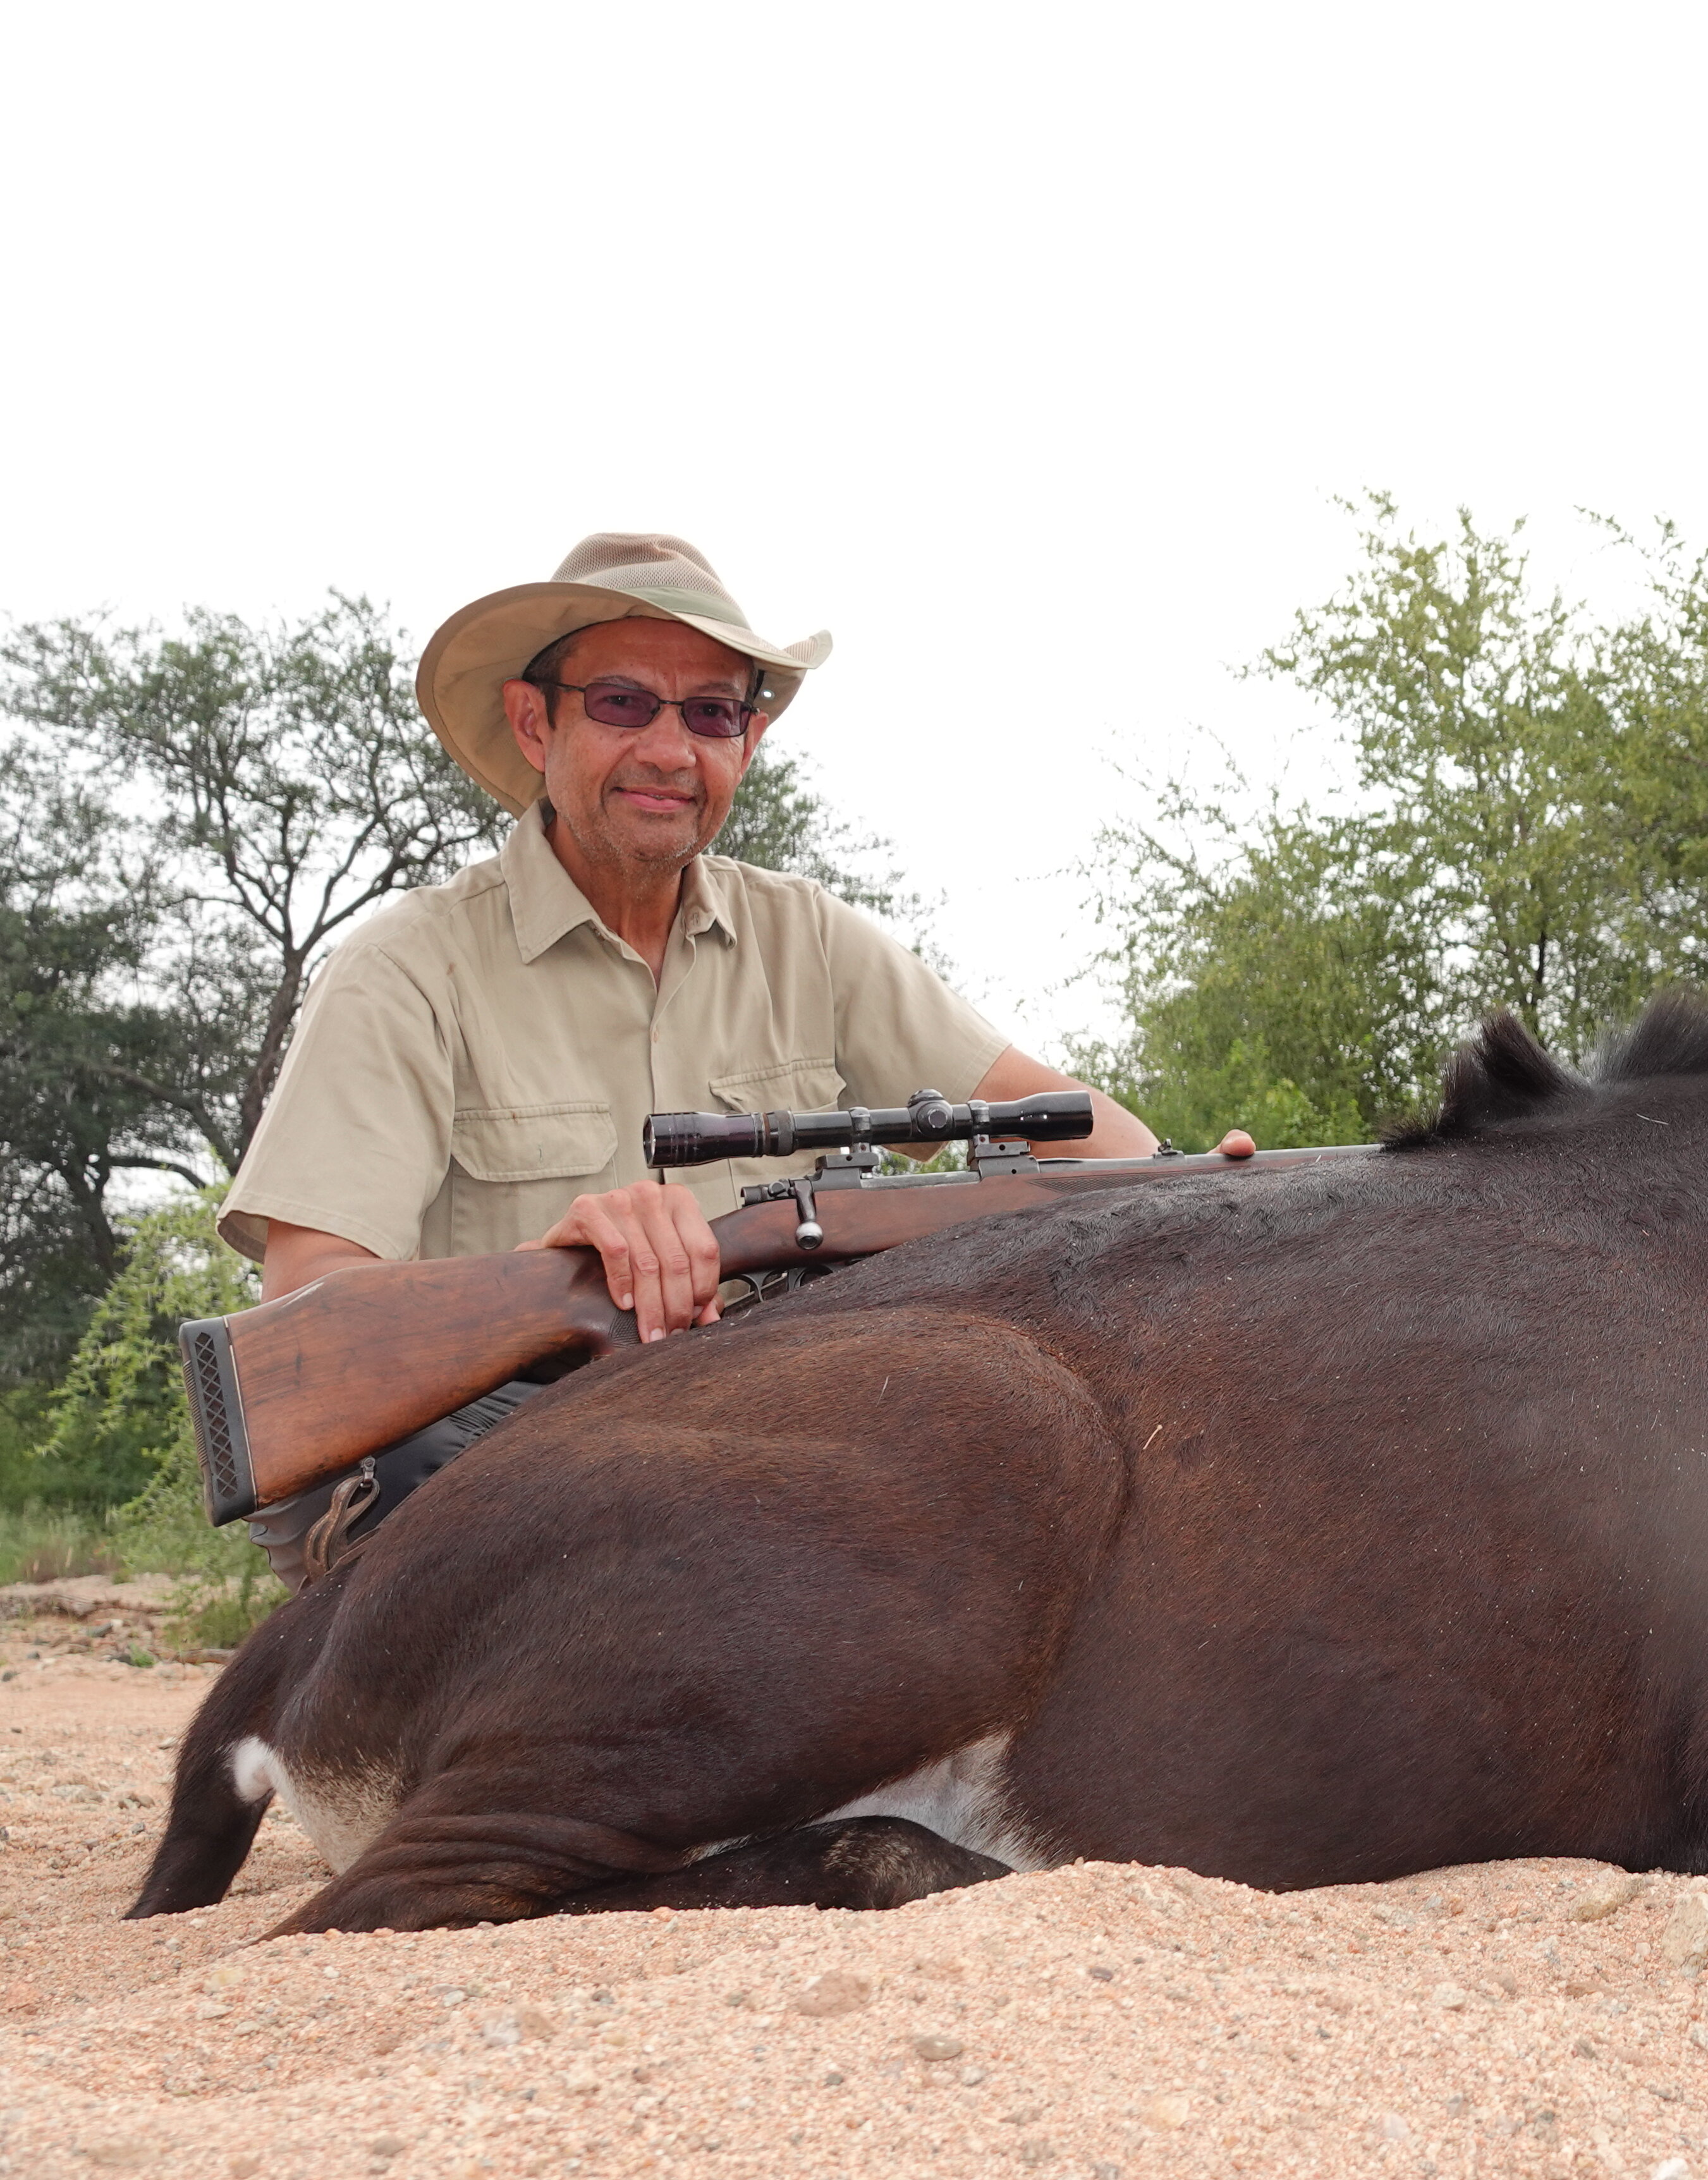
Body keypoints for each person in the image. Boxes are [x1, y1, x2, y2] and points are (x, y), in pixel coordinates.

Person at [217, 532, 1159, 1581]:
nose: (672, 751)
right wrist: (558, 1274)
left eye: (712, 712)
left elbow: (1081, 1129)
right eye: (623, 702)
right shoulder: (405, 966)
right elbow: (304, 1312)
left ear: (745, 743)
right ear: (536, 722)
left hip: (774, 1469)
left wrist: (1207, 1198)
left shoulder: (811, 936)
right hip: (507, 1489)